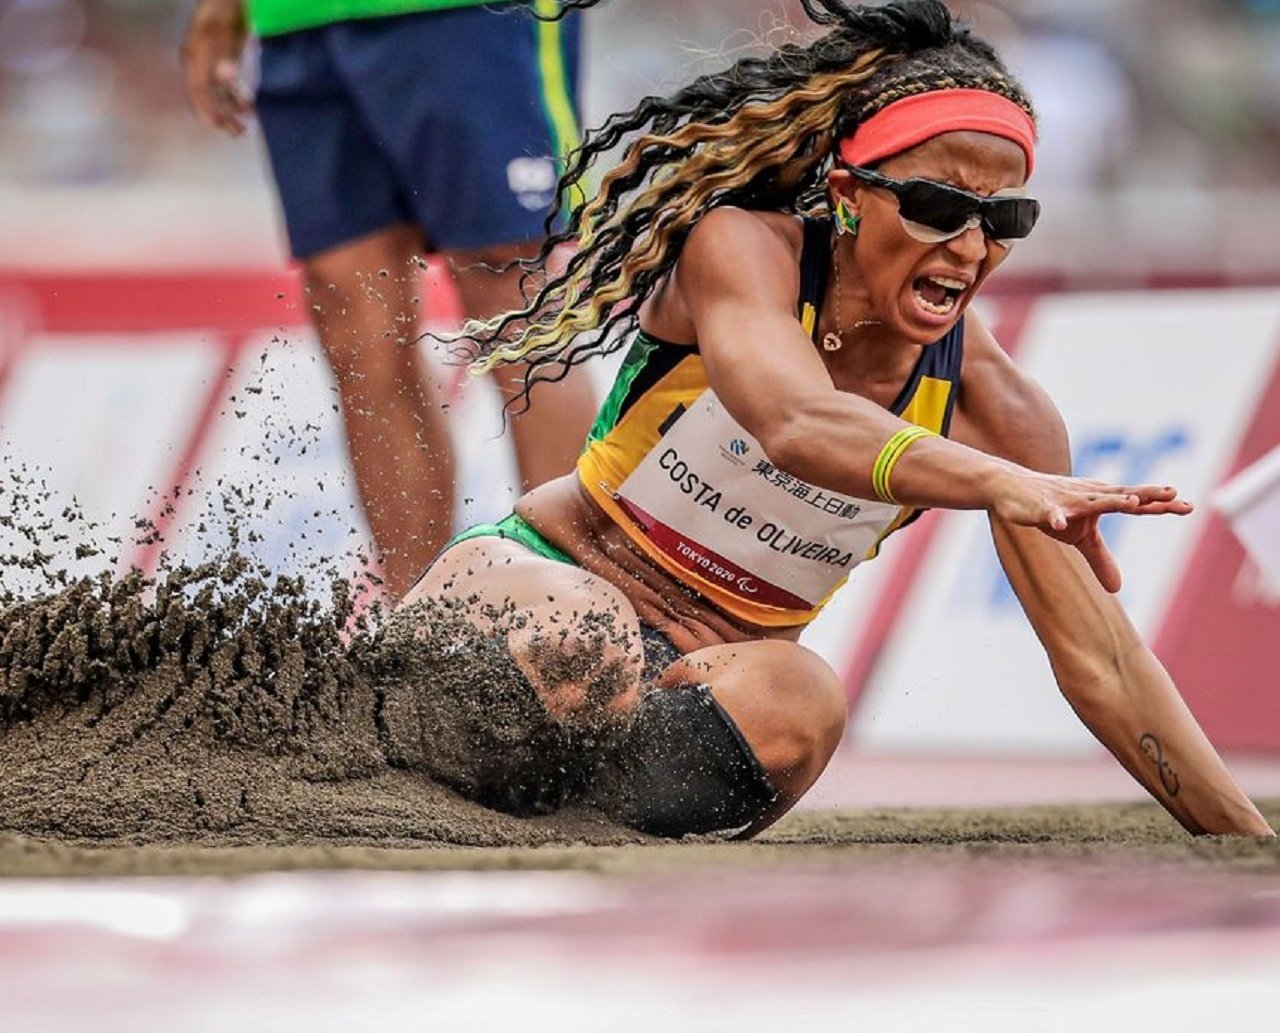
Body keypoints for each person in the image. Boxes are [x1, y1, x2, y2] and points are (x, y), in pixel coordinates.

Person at [394, 0, 1275, 840]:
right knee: (586, 642)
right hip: (546, 577)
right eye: (938, 207)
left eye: (1005, 218)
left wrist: (1244, 838)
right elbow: (796, 421)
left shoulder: (999, 414)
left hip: (704, 672)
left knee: (805, 706)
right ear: (851, 192)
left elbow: (1106, 664)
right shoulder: (743, 249)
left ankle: (582, 822)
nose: (969, 248)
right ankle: (385, 728)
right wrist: (996, 483)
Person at [181, 0, 598, 599]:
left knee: (513, 296)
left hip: (466, 14)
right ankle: (418, 632)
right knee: (356, 322)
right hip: (295, 21)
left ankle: (581, 623)